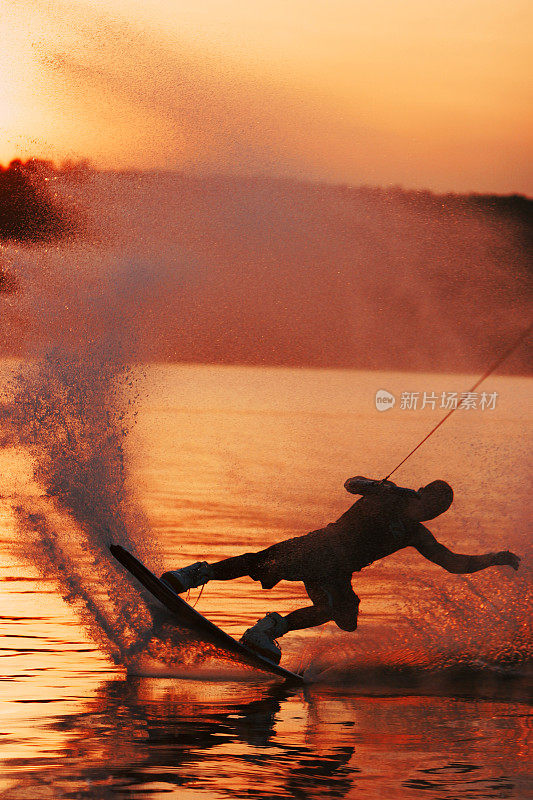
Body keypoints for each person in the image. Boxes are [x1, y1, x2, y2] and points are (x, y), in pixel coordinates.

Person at [161, 476, 521, 664]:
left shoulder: (416, 533)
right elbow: (352, 484)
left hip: (338, 570)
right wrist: (374, 486)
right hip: (319, 547)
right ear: (422, 492)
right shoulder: (389, 495)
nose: (432, 512)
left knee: (344, 616)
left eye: (438, 511)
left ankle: (267, 631)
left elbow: (453, 563)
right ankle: (194, 575)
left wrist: (492, 558)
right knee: (260, 563)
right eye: (432, 503)